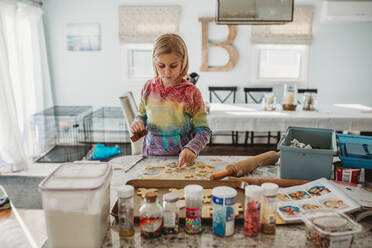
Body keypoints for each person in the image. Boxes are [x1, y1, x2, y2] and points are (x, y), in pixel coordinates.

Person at [130, 33, 211, 167]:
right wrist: (138, 121)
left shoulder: (191, 92)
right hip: (150, 158)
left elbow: (203, 130)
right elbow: (142, 114)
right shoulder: (148, 87)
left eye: (173, 66)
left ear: (183, 62)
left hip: (181, 160)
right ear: (154, 62)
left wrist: (192, 148)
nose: (167, 72)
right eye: (161, 66)